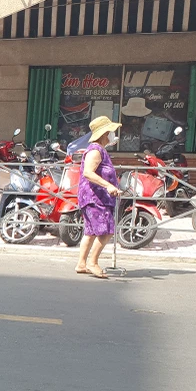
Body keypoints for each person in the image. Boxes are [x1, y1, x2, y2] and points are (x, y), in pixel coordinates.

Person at [76, 116, 122, 279]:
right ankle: (92, 262)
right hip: (95, 198)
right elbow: (88, 173)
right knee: (106, 230)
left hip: (96, 197)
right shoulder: (95, 150)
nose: (112, 135)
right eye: (110, 132)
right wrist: (108, 185)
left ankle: (81, 263)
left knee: (90, 232)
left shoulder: (100, 150)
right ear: (104, 134)